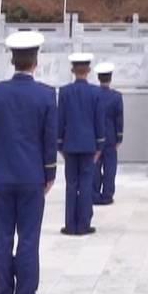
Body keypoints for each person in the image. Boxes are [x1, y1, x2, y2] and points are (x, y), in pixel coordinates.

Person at [0, 32, 58, 294]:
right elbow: (49, 139)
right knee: (28, 237)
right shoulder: (46, 95)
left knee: (2, 237)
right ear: (36, 61)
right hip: (32, 176)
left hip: (1, 175)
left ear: (12, 60)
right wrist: (50, 174)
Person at [56, 52, 108, 235]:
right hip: (89, 145)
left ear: (73, 70)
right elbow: (99, 122)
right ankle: (84, 223)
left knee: (71, 185)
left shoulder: (64, 92)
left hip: (70, 144)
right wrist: (100, 146)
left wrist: (59, 144)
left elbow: (60, 120)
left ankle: (70, 224)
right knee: (86, 184)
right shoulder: (96, 93)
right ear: (89, 70)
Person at [95, 63, 125, 205]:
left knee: (95, 165)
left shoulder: (93, 94)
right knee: (110, 167)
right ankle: (107, 194)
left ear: (98, 78)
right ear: (110, 78)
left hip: (96, 136)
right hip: (111, 136)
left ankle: (94, 192)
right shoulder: (116, 96)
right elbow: (119, 118)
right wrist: (119, 137)